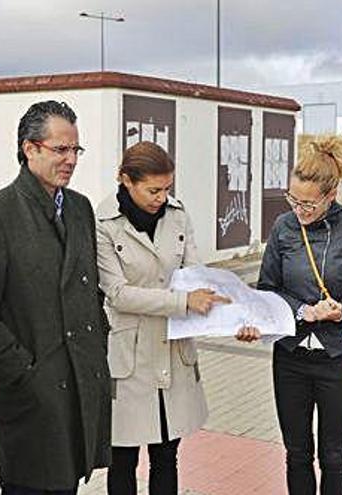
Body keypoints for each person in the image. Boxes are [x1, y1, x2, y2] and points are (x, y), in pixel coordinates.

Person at [0, 100, 111, 494]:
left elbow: (87, 287)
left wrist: (98, 344)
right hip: (31, 397)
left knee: (67, 483)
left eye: (76, 150)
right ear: (30, 149)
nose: (71, 159)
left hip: (77, 388)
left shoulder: (79, 208)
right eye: (61, 149)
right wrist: (23, 373)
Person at [95, 141, 259, 495]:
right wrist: (183, 301)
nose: (161, 197)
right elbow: (118, 294)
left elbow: (195, 277)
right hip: (129, 356)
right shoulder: (103, 223)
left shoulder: (178, 215)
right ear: (126, 180)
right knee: (122, 459)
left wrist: (236, 315)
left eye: (167, 188)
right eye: (153, 190)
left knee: (166, 457)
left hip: (174, 350)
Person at [257, 135, 342, 495]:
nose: (300, 210)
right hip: (291, 356)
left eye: (309, 204)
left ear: (331, 195)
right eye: (293, 199)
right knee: (296, 453)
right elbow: (268, 287)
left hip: (338, 358)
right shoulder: (283, 227)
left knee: (333, 454)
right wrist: (303, 311)